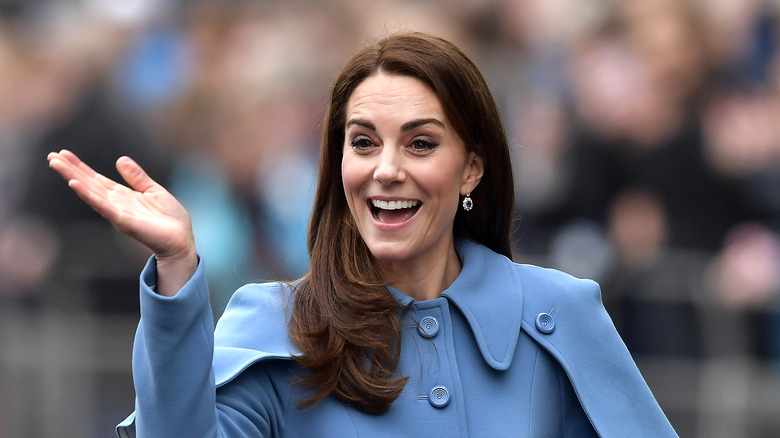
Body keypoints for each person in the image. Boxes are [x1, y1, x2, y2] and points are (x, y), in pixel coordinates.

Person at [48, 32, 677, 437]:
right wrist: (177, 266)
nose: (386, 170)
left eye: (421, 143)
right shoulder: (275, 325)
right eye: (363, 142)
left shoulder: (557, 315)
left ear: (474, 167)